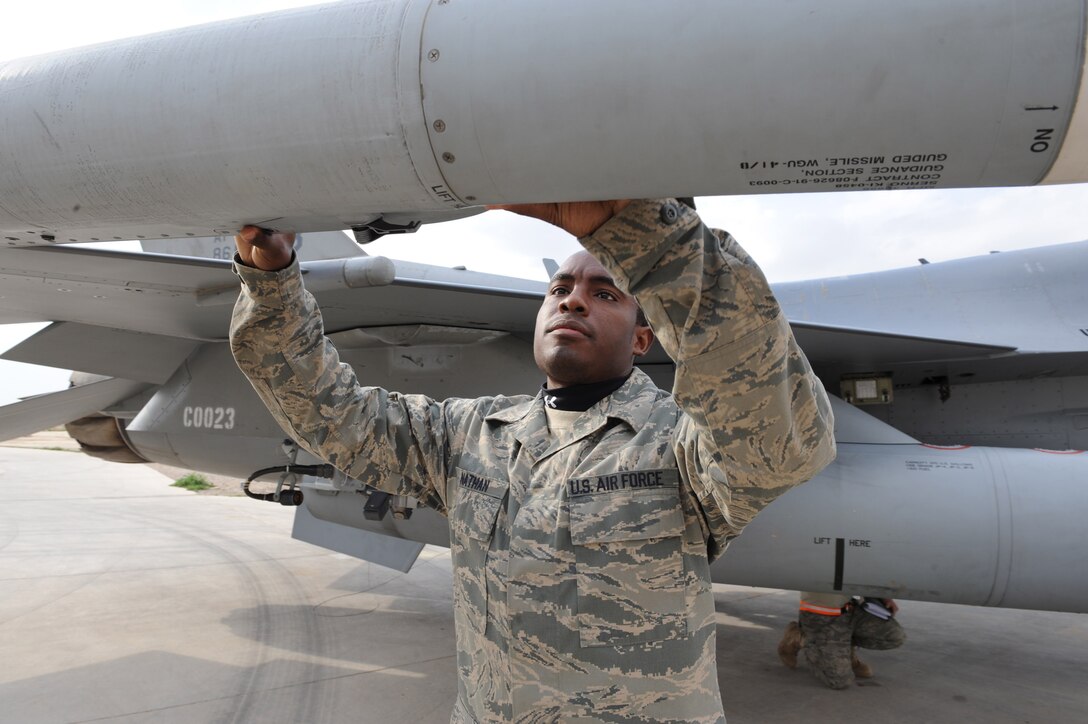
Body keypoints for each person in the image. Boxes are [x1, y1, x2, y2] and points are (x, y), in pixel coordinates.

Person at [230, 198, 836, 722]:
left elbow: (772, 434)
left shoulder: (681, 443)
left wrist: (649, 237)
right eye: (559, 290)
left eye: (604, 293)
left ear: (643, 338)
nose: (574, 302)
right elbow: (329, 412)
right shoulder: (470, 434)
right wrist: (274, 283)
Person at [777, 592, 906, 689]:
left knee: (894, 636)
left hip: (849, 610)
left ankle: (844, 648)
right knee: (839, 680)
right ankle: (799, 637)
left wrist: (884, 596)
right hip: (820, 617)